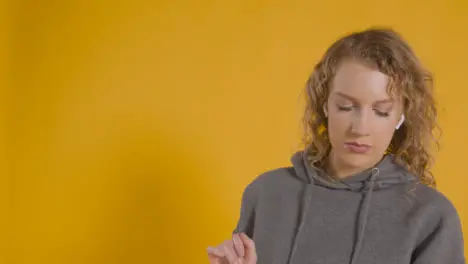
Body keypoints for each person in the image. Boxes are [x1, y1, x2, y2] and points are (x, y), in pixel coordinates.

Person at [206, 28, 465, 264]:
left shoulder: (431, 217)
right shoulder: (267, 194)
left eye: (381, 111)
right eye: (346, 106)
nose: (360, 128)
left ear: (401, 117)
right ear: (325, 105)